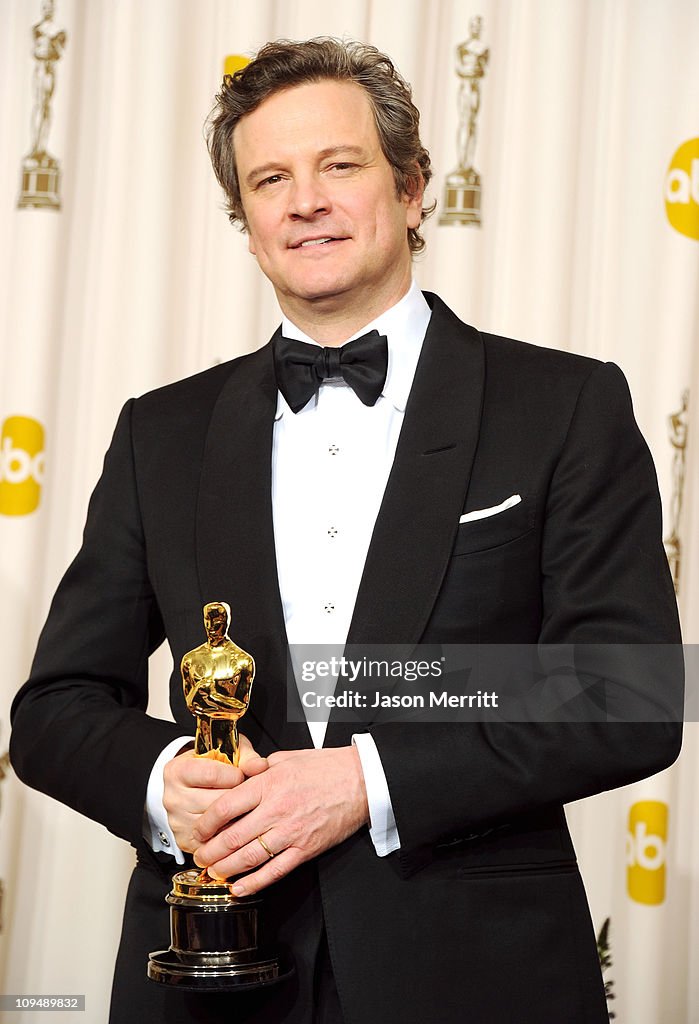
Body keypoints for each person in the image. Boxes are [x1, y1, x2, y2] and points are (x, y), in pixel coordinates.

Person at [11, 36, 683, 1024]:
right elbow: (56, 709)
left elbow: (630, 691)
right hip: (210, 975)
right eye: (270, 179)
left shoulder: (565, 406)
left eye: (339, 165)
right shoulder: (162, 433)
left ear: (413, 190)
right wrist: (168, 782)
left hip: (472, 977)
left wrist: (369, 780)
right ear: (247, 225)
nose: (305, 201)